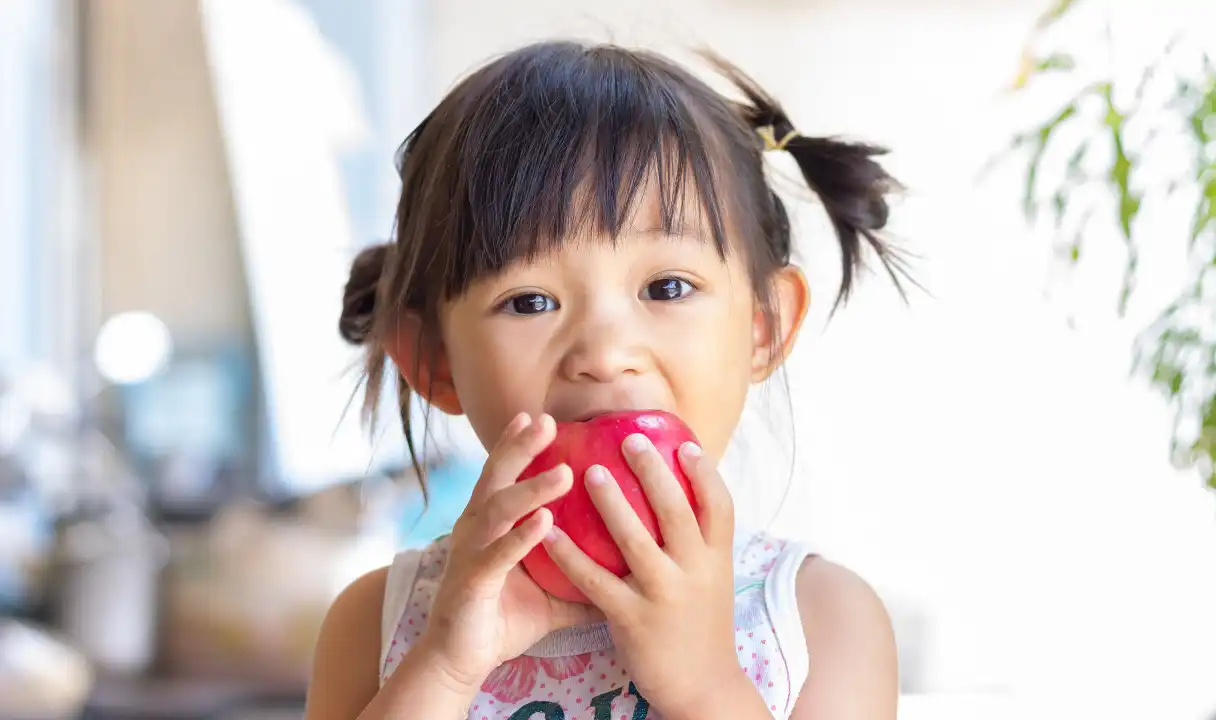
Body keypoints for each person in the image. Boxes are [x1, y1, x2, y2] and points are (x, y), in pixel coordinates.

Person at [309, 40, 903, 720]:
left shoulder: (817, 621)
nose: (606, 352)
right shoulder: (378, 626)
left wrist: (705, 686)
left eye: (668, 286)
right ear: (434, 360)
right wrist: (444, 669)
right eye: (530, 301)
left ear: (762, 328)